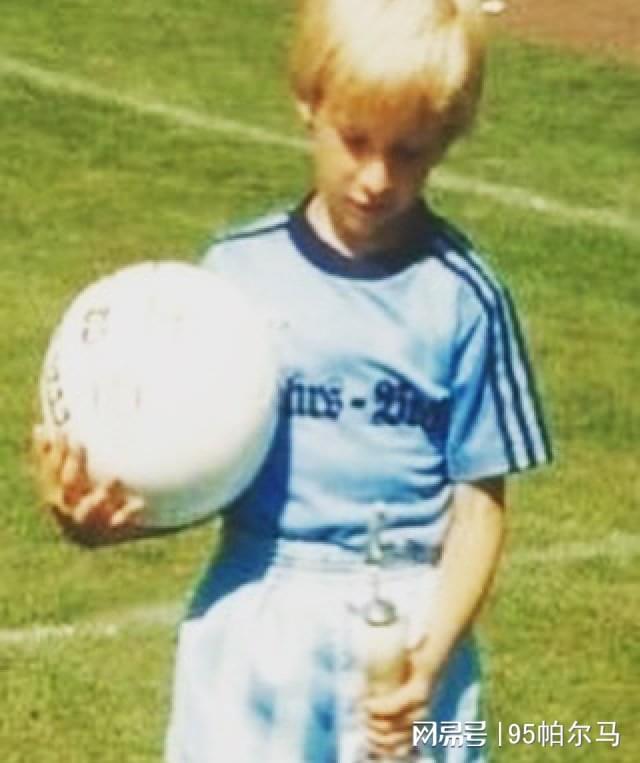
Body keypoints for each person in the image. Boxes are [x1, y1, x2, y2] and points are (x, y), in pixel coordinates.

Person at [33, 0, 553, 760]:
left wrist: (431, 657)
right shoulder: (232, 278)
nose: (376, 178)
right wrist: (100, 519)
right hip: (256, 615)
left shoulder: (463, 296)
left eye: (409, 152)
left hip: (404, 629)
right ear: (310, 103)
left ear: (447, 138)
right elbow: (202, 465)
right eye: (356, 140)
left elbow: (479, 509)